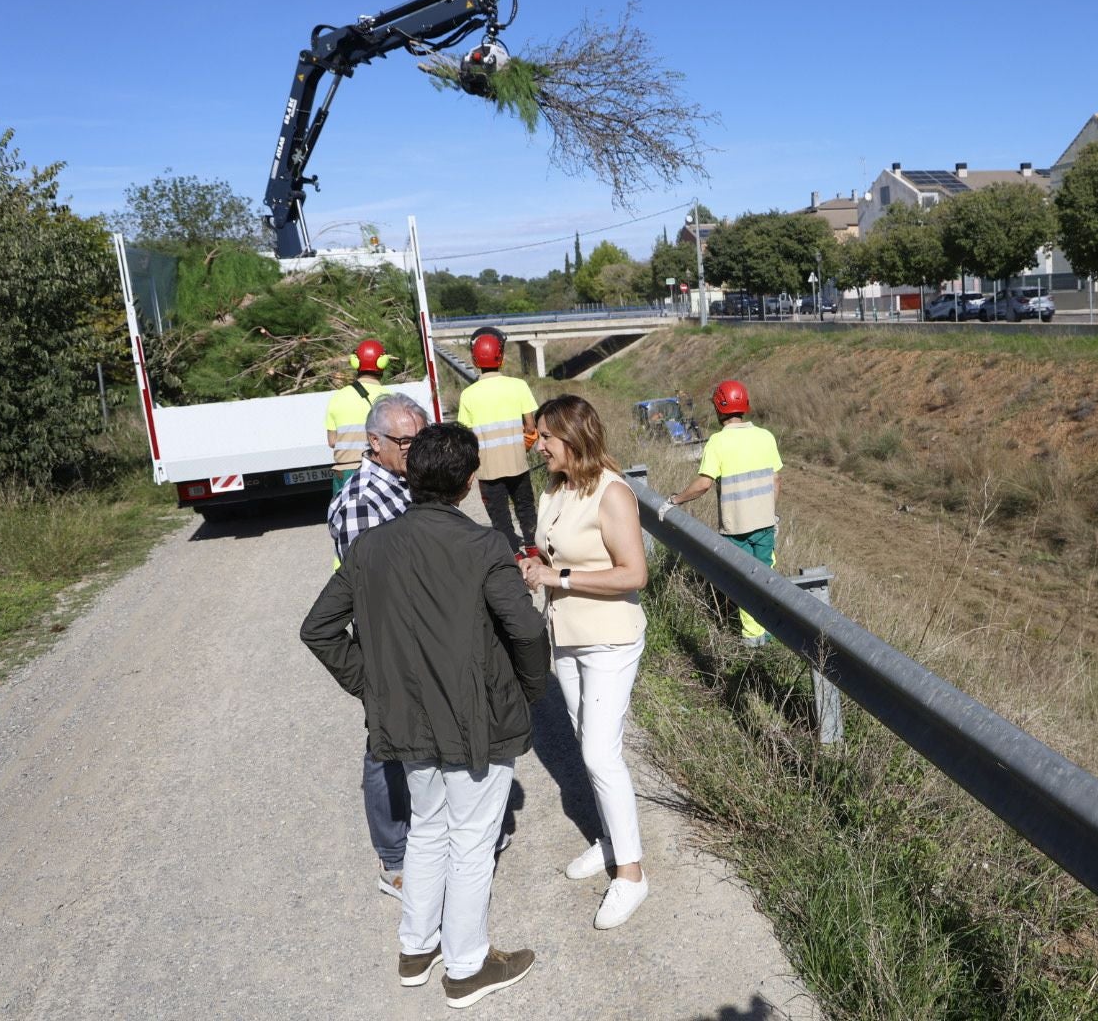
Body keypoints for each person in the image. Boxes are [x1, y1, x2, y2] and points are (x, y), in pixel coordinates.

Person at [302, 422, 549, 1008]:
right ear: (468, 482)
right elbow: (526, 631)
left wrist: (372, 687)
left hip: (407, 720)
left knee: (428, 828)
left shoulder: (369, 548)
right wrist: (528, 691)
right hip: (474, 721)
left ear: (409, 475)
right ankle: (465, 969)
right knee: (471, 839)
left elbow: (318, 629)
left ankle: (417, 947)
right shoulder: (484, 546)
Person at [518, 394, 651, 930]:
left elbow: (634, 574)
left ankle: (633, 876)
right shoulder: (556, 487)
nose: (538, 445)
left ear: (572, 437)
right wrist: (534, 562)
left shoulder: (611, 493)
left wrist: (561, 579)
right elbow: (551, 550)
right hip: (566, 637)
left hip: (610, 640)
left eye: (545, 437)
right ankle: (611, 840)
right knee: (584, 741)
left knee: (600, 754)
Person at [326, 394, 425, 899]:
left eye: (419, 440)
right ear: (374, 442)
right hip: (391, 647)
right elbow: (380, 592)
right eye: (406, 442)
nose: (416, 450)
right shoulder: (364, 501)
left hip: (418, 640)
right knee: (385, 748)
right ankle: (394, 862)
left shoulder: (404, 483)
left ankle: (424, 844)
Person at [660, 379, 783, 647]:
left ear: (719, 408)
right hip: (764, 523)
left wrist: (676, 499)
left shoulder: (718, 442)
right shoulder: (765, 436)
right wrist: (770, 515)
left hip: (735, 528)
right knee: (767, 576)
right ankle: (771, 632)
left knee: (744, 582)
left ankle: (754, 640)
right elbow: (775, 480)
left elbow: (703, 483)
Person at [456, 327, 539, 555]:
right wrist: (522, 447)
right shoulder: (518, 386)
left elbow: (467, 436)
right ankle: (533, 549)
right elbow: (531, 426)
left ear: (475, 359)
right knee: (525, 508)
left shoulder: (468, 395)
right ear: (500, 356)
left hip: (488, 470)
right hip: (517, 463)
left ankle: (514, 554)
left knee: (500, 515)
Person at [325, 338, 393, 494]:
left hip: (346, 472)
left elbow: (332, 441)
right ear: (382, 363)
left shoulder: (337, 397)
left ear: (355, 363)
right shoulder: (390, 399)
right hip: (378, 470)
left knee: (345, 517)